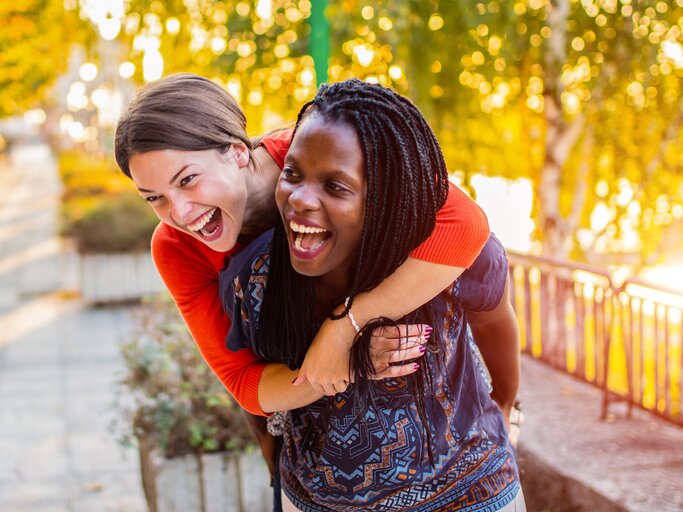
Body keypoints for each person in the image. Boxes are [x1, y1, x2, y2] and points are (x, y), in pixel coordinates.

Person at [114, 73, 494, 507]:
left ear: (238, 151)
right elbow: (244, 382)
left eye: (187, 180)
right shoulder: (176, 249)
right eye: (154, 198)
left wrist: (347, 325)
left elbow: (466, 224)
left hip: (454, 456)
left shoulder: (328, 144)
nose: (178, 212)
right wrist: (346, 363)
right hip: (310, 470)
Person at [220, 79, 524, 511]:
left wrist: (508, 403)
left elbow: (496, 321)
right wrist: (279, 471)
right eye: (292, 173)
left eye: (336, 186)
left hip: (469, 497)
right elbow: (253, 389)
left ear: (385, 198)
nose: (300, 199)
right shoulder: (252, 281)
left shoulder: (450, 263)